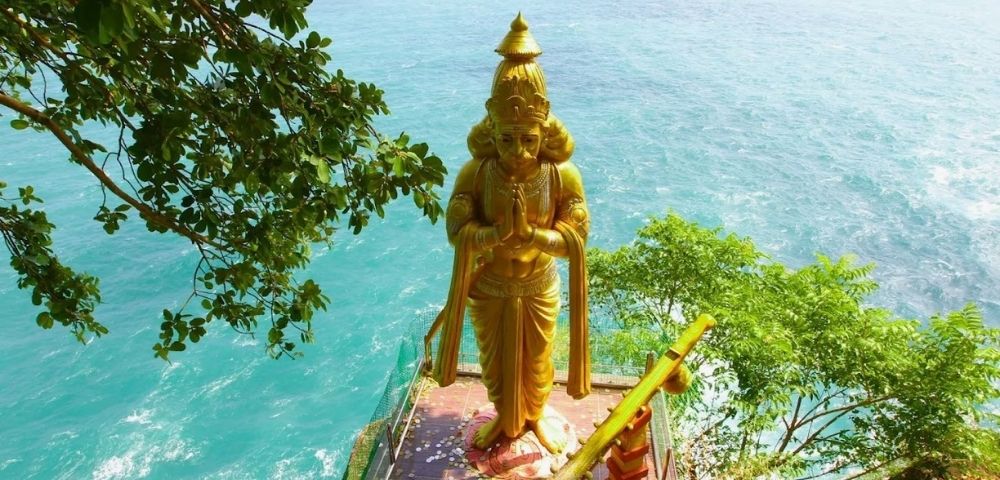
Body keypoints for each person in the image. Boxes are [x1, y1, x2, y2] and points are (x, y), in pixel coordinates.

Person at [430, 13, 591, 454]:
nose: (518, 151)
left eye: (528, 139)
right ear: (492, 132)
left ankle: (536, 417)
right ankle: (503, 413)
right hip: (492, 284)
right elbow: (455, 229)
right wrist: (496, 232)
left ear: (544, 132)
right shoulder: (477, 173)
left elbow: (577, 237)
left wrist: (535, 237)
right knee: (495, 363)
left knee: (539, 361)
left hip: (538, 283)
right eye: (506, 139)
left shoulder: (561, 177)